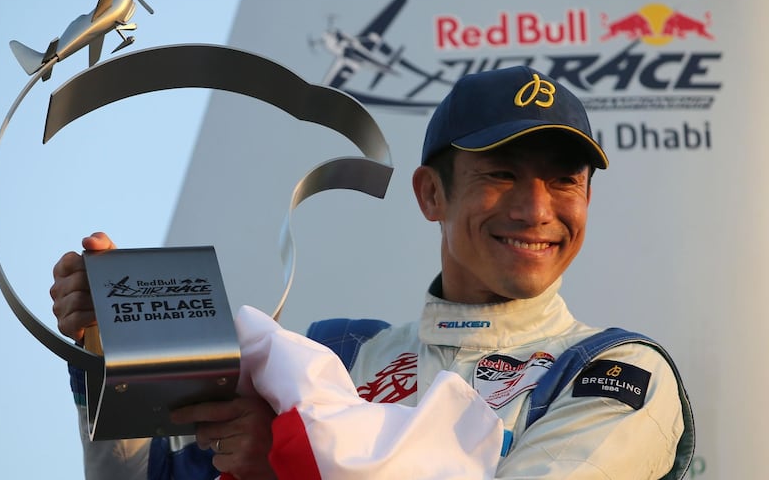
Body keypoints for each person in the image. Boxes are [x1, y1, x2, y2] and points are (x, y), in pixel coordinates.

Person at [51, 66, 694, 479]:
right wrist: (113, 349)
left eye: (564, 181)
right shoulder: (336, 353)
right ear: (430, 195)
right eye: (500, 174)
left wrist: (289, 463)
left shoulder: (616, 372)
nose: (536, 209)